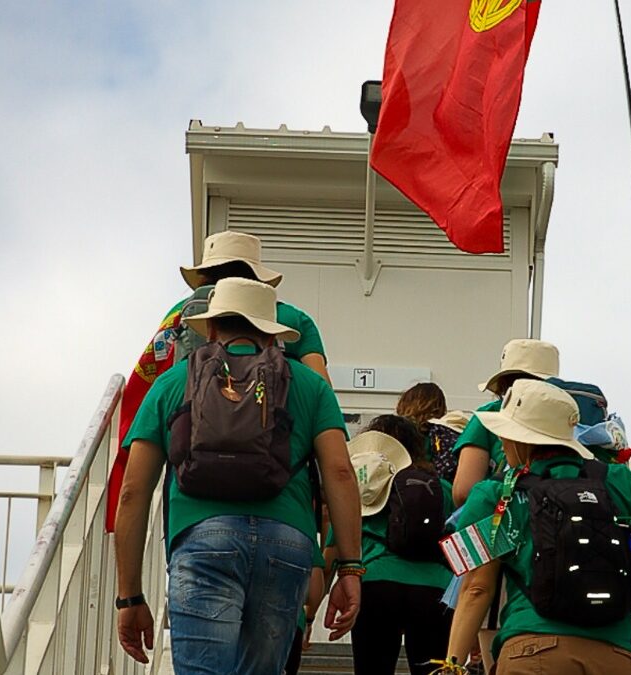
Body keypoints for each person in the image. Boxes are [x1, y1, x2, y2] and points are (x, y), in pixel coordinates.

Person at [114, 277, 362, 675]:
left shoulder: (171, 384)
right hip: (287, 544)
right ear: (271, 335)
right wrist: (349, 568)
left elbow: (132, 491)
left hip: (201, 541)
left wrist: (129, 597)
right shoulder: (311, 385)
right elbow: (339, 472)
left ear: (210, 329)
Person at [438, 380, 631, 675]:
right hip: (623, 657)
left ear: (522, 439)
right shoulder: (619, 481)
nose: (502, 443)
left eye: (505, 433)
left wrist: (452, 665)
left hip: (535, 649)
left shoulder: (496, 495)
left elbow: (477, 589)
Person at [107, 230, 329, 532]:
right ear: (257, 275)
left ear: (205, 274)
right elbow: (322, 394)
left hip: (196, 497)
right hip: (282, 492)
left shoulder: (180, 318)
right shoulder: (291, 318)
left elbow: (149, 386)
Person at [326, 415, 455, 675]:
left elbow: (333, 550)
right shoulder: (442, 488)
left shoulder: (360, 489)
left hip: (375, 584)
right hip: (435, 591)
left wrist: (310, 612)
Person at [451, 339, 560, 507]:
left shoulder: (487, 416)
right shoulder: (563, 416)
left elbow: (463, 492)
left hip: (499, 520)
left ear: (504, 382)